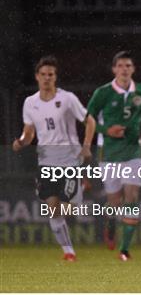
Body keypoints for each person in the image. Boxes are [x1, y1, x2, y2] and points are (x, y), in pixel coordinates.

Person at [12, 56, 96, 261]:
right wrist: (21, 142)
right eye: (43, 75)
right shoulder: (30, 103)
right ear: (37, 77)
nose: (47, 78)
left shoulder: (67, 99)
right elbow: (29, 133)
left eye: (51, 74)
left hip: (69, 159)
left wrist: (86, 146)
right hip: (46, 161)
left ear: (55, 77)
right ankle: (69, 252)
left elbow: (90, 121)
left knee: (71, 208)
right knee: (52, 209)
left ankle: (80, 191)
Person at [86, 51, 141, 261]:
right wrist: (106, 129)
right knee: (114, 202)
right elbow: (87, 118)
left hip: (133, 152)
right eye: (120, 66)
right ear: (114, 69)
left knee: (132, 197)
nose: (124, 69)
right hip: (108, 153)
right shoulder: (103, 92)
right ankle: (110, 222)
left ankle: (124, 249)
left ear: (133, 69)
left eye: (128, 65)